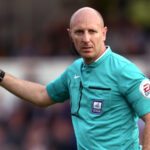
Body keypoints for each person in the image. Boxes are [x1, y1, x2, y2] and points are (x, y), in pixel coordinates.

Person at [0, 7, 150, 150]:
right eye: (79, 32)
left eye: (92, 31)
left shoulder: (124, 71)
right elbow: (42, 95)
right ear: (70, 35)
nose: (86, 38)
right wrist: (1, 77)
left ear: (104, 33)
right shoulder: (74, 70)